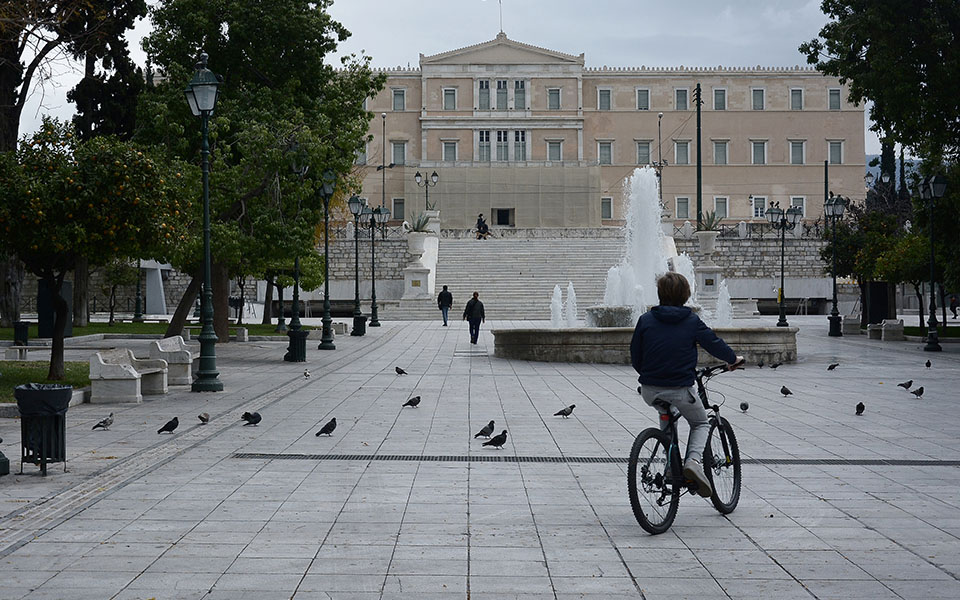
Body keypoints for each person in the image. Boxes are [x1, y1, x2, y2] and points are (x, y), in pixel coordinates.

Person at [630, 272, 742, 498]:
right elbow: (714, 344)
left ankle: (671, 466)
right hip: (680, 388)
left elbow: (635, 355)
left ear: (660, 294)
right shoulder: (691, 321)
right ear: (685, 295)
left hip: (650, 389)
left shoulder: (645, 320)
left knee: (666, 415)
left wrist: (649, 374)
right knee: (700, 422)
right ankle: (692, 462)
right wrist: (732, 360)